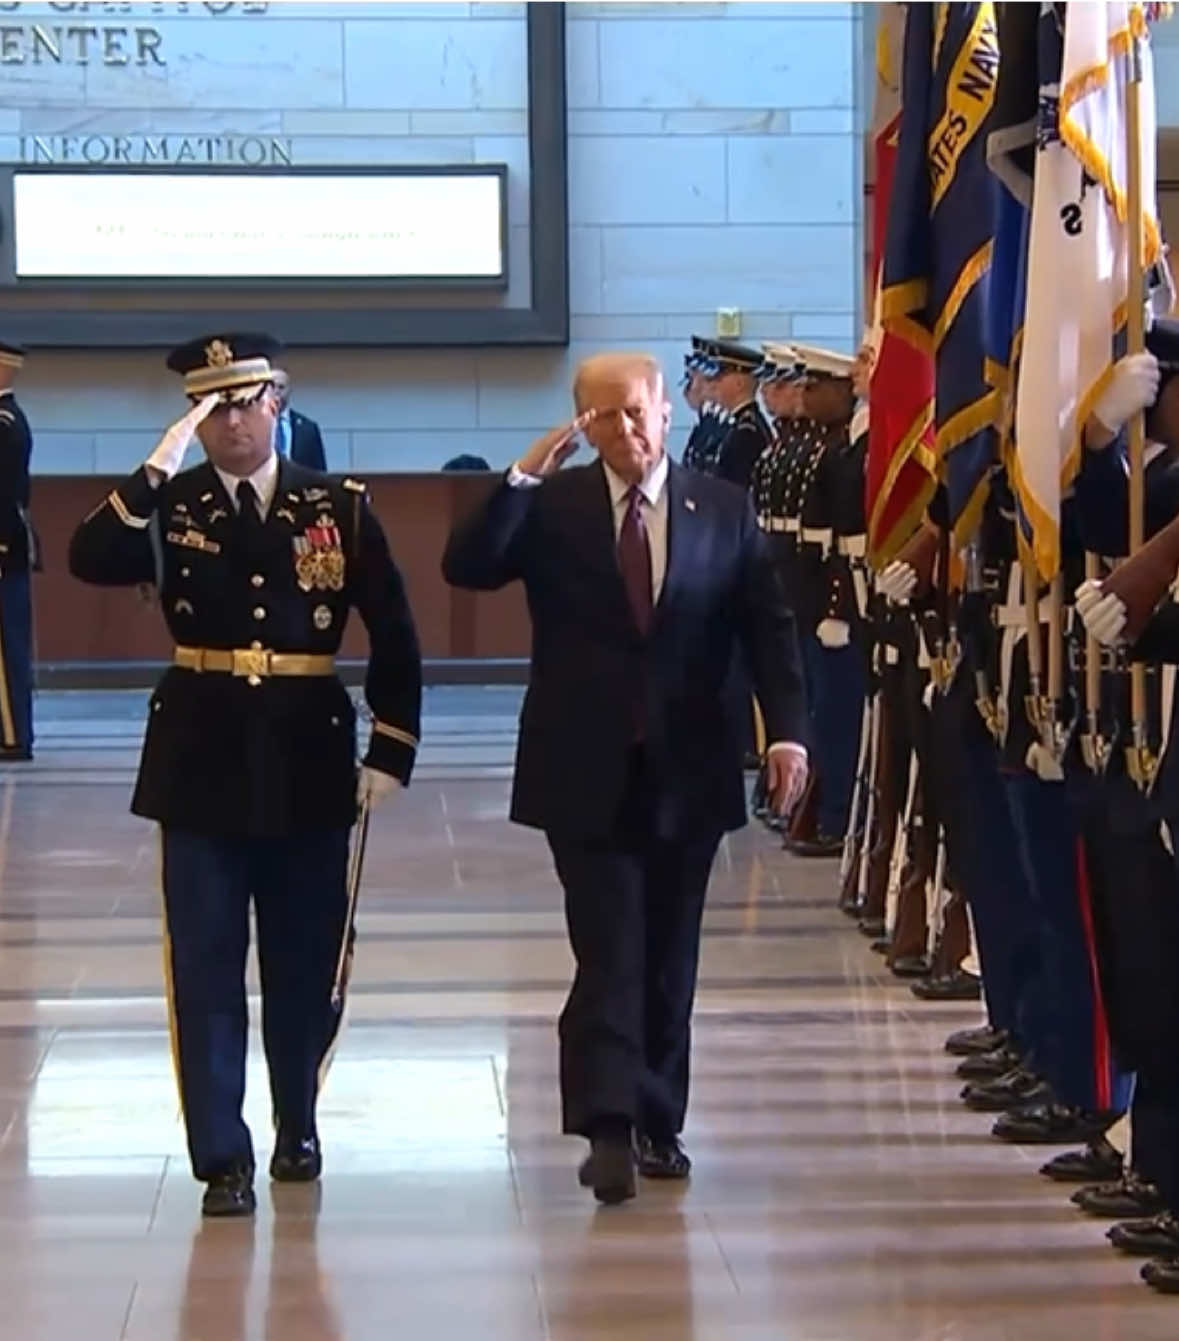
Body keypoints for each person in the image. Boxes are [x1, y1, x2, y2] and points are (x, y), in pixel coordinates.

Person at [68, 332, 422, 1218]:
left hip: (306, 754)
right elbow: (87, 555)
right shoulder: (173, 503)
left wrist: (390, 747)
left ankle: (297, 1121)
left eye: (245, 402)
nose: (231, 421)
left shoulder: (335, 505)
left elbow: (396, 627)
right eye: (211, 406)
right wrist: (155, 467)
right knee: (206, 964)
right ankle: (221, 1154)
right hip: (200, 758)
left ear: (279, 402)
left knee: (304, 959)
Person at [442, 351, 809, 1206]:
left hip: (690, 763)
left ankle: (657, 1119)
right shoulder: (555, 507)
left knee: (668, 951)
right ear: (581, 424)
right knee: (608, 941)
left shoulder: (721, 506)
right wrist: (525, 472)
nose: (625, 430)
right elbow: (468, 565)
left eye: (636, 411)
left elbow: (767, 625)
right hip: (584, 762)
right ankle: (606, 1122)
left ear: (665, 413)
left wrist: (788, 733)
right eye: (603, 416)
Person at [0, 340, 37, 761]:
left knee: (6, 649)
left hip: (4, 546)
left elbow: (5, 496)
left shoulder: (5, 422)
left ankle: (12, 735)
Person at [271, 367, 328, 471]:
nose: (276, 392)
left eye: (281, 387)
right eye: (272, 387)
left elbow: (320, 471)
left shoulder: (308, 429)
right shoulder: (254, 425)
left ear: (290, 390)